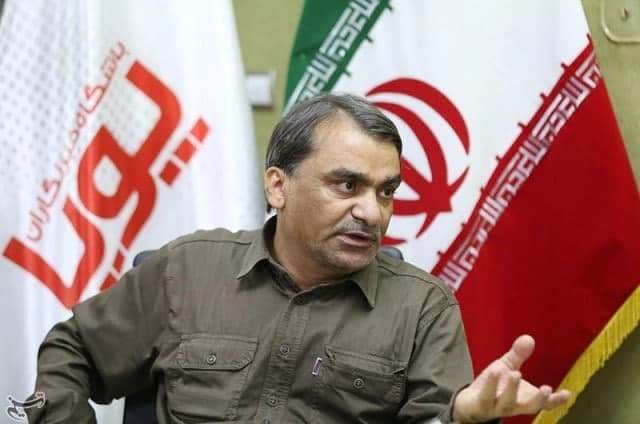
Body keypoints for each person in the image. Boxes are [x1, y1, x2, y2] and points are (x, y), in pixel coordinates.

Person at [27, 94, 570, 423]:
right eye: (347, 185)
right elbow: (72, 350)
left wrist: (462, 417)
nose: (372, 212)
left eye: (385, 191)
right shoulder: (186, 271)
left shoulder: (422, 308)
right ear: (278, 186)